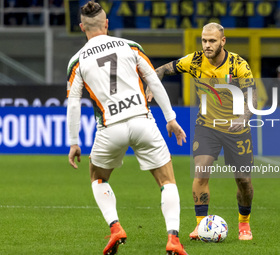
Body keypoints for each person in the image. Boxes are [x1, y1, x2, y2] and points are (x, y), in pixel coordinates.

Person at [66, 2, 188, 255]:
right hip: (143, 121)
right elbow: (153, 80)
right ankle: (173, 238)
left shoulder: (77, 61)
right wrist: (170, 118)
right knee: (167, 181)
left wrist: (74, 140)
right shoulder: (130, 46)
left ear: (81, 27)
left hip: (110, 128)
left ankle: (116, 228)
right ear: (107, 23)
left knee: (98, 178)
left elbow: (74, 104)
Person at [148, 23, 256, 241]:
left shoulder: (238, 64)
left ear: (222, 41)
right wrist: (151, 84)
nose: (207, 45)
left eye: (212, 41)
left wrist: (244, 117)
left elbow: (252, 97)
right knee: (201, 169)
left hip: (236, 129)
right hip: (207, 125)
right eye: (204, 41)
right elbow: (161, 70)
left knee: (243, 179)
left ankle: (244, 223)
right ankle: (200, 224)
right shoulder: (194, 60)